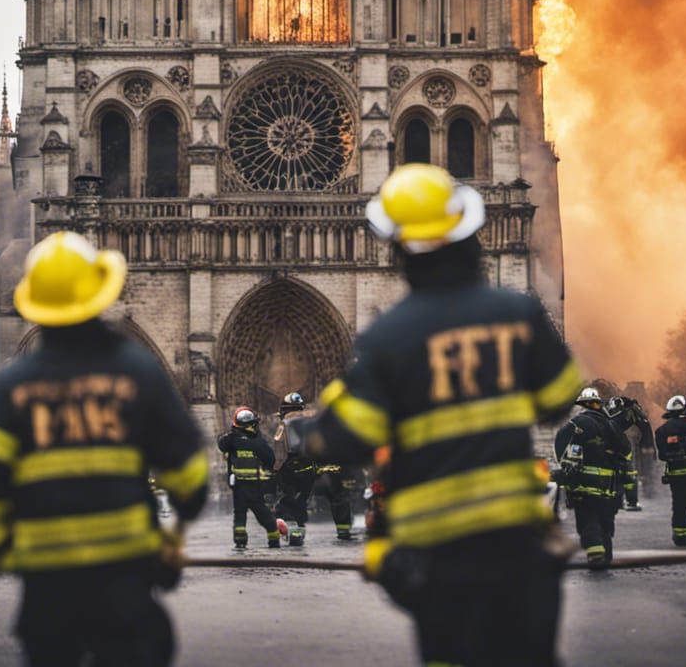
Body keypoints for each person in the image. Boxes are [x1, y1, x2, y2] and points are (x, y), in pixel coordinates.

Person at [299, 164, 582, 667]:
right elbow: (561, 395)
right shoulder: (517, 315)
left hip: (438, 559)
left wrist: (318, 426)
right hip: (518, 544)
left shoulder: (389, 340)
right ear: (467, 234)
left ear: (399, 248)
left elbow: (347, 440)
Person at [0, 231, 208, 667]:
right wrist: (173, 537)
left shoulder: (10, 385)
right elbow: (187, 469)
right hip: (125, 569)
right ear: (98, 295)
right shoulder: (137, 373)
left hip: (46, 576)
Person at [554, 387, 631, 568]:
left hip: (584, 486)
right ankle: (606, 555)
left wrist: (566, 472)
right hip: (610, 488)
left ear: (581, 406)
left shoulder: (575, 424)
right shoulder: (612, 426)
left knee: (589, 520)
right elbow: (626, 453)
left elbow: (561, 450)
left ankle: (596, 554)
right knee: (606, 523)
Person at [218, 406, 281, 549]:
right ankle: (273, 539)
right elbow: (270, 459)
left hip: (238, 485)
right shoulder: (258, 442)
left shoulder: (231, 440)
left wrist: (233, 432)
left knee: (239, 514)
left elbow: (221, 443)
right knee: (262, 512)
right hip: (255, 485)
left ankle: (240, 541)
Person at [655, 395, 686, 546]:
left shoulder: (661, 431)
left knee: (679, 505)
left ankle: (681, 537)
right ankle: (683, 528)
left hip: (675, 474)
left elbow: (662, 456)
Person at [272, 391, 316, 546]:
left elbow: (279, 450)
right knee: (301, 501)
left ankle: (285, 526)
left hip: (290, 468)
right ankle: (298, 533)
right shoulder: (310, 423)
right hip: (309, 468)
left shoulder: (285, 425)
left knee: (286, 500)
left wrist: (275, 470)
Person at [606, 395, 654, 511]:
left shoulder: (626, 416)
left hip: (625, 448)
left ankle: (622, 501)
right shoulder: (633, 415)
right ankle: (628, 501)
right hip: (628, 448)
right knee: (627, 475)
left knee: (624, 474)